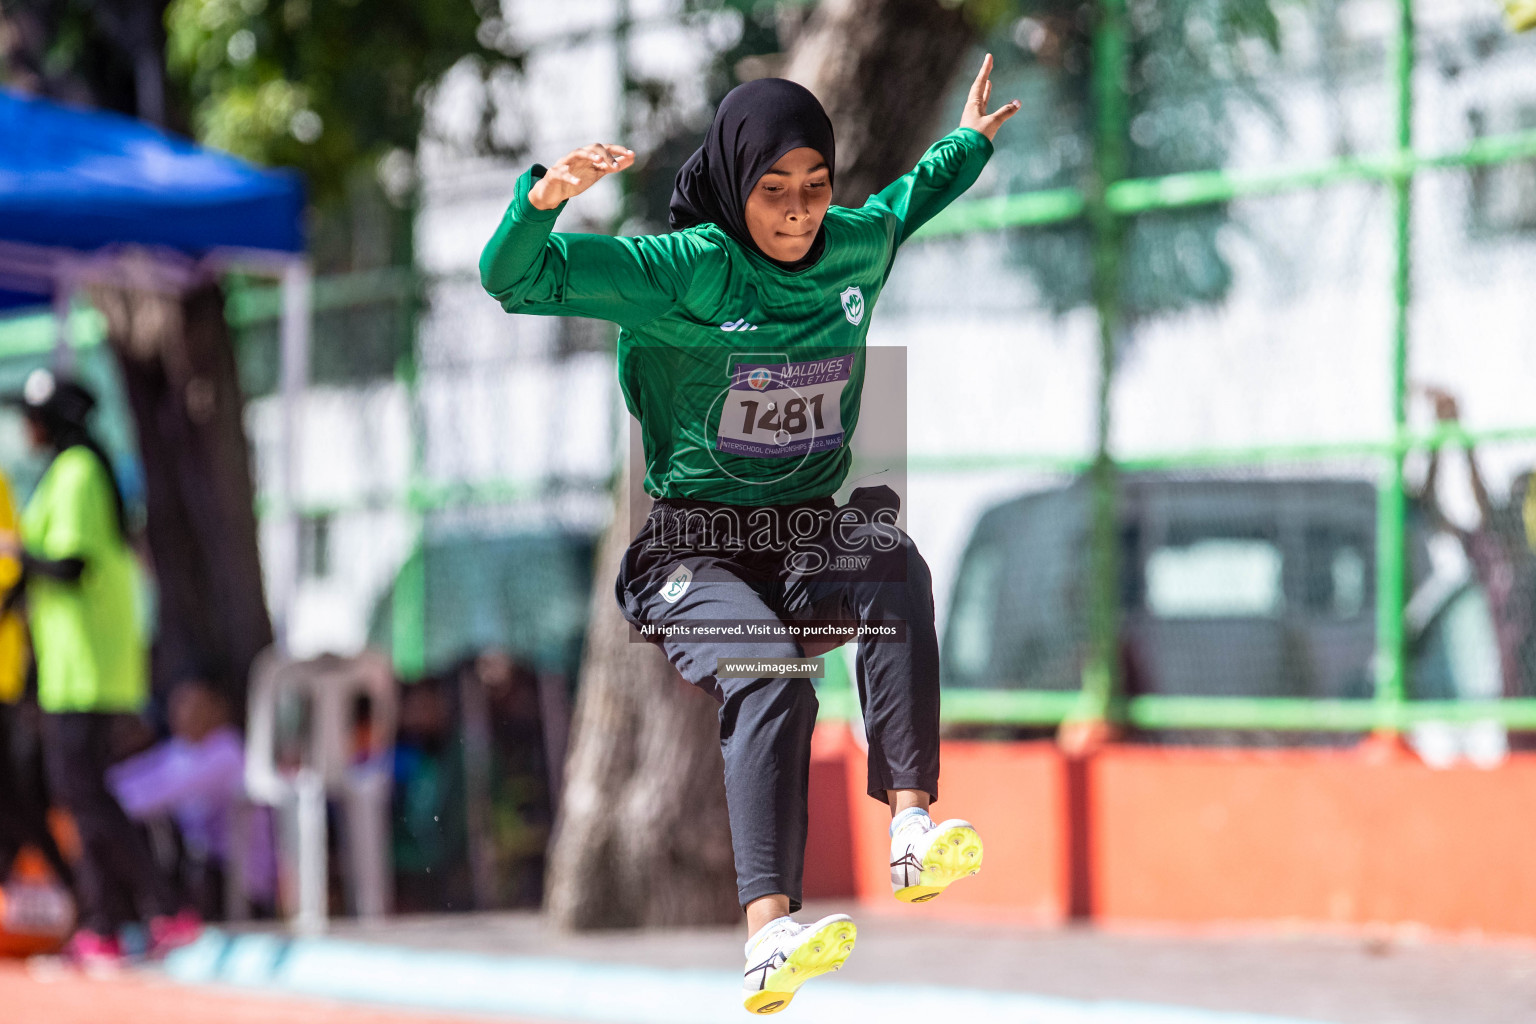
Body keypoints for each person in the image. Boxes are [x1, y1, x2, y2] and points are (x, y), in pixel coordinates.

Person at [481, 57, 1017, 1013]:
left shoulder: (853, 250)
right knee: (769, 673)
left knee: (893, 566)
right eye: (774, 193)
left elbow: (907, 203)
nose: (800, 214)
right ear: (735, 188)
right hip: (690, 552)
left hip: (804, 539)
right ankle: (771, 935)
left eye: (815, 190)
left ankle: (911, 831)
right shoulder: (685, 270)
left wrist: (966, 145)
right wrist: (544, 199)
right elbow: (515, 281)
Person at [0, 369, 198, 967]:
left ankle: (164, 907)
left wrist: (15, 554)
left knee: (86, 794)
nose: (23, 429)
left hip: (88, 668)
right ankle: (107, 922)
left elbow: (70, 567)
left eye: (30, 417)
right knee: (78, 794)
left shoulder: (80, 472)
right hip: (71, 669)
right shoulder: (69, 473)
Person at [108, 678, 277, 919]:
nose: (181, 713)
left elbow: (146, 799)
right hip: (202, 870)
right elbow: (132, 778)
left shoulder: (227, 752)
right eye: (176, 705)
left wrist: (97, 797)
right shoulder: (183, 750)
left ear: (216, 710)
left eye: (191, 704)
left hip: (240, 885)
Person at [1418, 387, 1535, 698]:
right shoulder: (1495, 554)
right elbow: (1430, 510)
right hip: (1513, 702)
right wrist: (1445, 436)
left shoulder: (1518, 558)